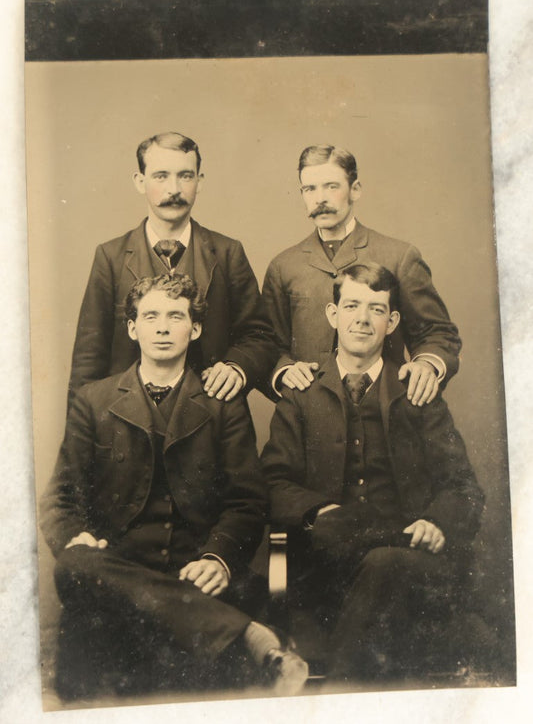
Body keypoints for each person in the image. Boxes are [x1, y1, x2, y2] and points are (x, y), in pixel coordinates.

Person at [41, 273, 307, 698]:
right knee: (74, 561)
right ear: (132, 328)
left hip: (194, 569)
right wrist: (78, 538)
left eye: (175, 316)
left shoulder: (223, 402)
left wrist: (218, 559)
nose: (162, 327)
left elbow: (247, 500)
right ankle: (249, 637)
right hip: (119, 567)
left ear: (195, 328)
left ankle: (232, 631)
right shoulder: (94, 399)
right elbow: (60, 498)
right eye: (150, 316)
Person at [261, 263, 484, 681]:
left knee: (383, 562)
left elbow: (462, 486)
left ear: (392, 321)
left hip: (405, 559)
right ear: (333, 315)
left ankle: (339, 698)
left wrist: (436, 522)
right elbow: (272, 482)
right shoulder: (302, 393)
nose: (362, 319)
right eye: (351, 306)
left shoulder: (418, 392)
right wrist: (316, 513)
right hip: (325, 561)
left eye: (376, 310)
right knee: (330, 530)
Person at [68, 131, 276, 404]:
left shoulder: (227, 253)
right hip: (128, 419)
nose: (174, 189)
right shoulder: (111, 257)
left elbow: (260, 337)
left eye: (185, 176)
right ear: (140, 182)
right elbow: (88, 359)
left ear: (199, 182)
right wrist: (80, 439)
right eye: (161, 176)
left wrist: (236, 367)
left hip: (211, 415)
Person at [262, 144, 461, 406]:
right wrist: (286, 370)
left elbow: (437, 333)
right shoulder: (284, 266)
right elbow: (266, 344)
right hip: (311, 415)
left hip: (385, 410)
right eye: (310, 189)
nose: (319, 198)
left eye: (331, 186)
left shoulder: (399, 256)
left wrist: (426, 364)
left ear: (355, 189)